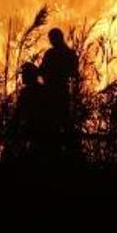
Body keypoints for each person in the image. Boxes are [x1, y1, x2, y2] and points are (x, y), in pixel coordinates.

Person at [39, 28, 79, 161]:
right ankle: (72, 156)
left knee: (54, 126)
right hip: (62, 94)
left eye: (52, 38)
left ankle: (56, 157)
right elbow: (74, 74)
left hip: (53, 94)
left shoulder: (51, 54)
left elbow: (42, 71)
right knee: (65, 125)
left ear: (56, 38)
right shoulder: (70, 54)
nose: (50, 41)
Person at [7, 62, 48, 162]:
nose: (23, 76)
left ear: (30, 75)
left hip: (37, 132)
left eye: (25, 73)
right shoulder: (38, 90)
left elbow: (19, 113)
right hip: (33, 131)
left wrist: (12, 127)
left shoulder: (30, 93)